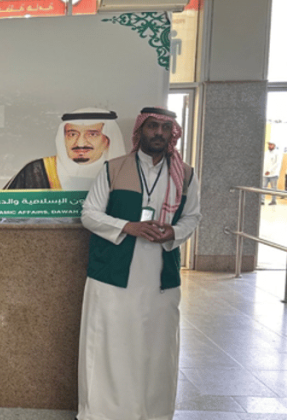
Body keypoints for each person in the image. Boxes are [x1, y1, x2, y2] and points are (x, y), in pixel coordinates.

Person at [77, 107, 201, 420]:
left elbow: (192, 217)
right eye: (152, 126)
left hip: (160, 275)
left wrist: (174, 232)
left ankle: (152, 413)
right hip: (113, 273)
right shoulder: (115, 168)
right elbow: (89, 214)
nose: (158, 133)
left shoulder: (185, 175)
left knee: (156, 347)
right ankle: (104, 413)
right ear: (140, 130)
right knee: (110, 343)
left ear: (172, 133)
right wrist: (127, 227)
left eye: (165, 128)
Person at [4, 108, 126, 190]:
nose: (80, 143)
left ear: (108, 140)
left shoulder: (125, 175)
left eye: (92, 134)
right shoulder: (36, 170)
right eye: (72, 134)